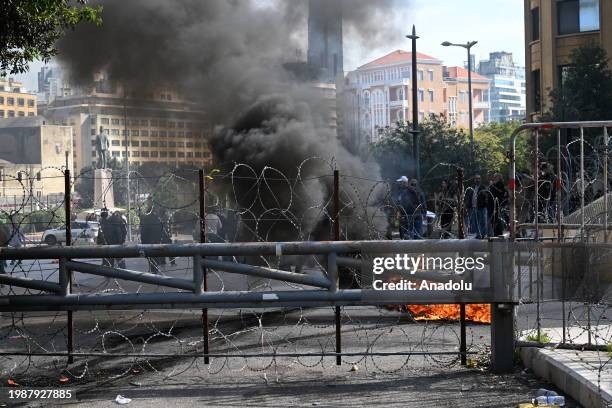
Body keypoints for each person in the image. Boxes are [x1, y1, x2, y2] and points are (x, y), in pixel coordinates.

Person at [465, 175, 489, 239]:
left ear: (480, 179)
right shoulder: (472, 187)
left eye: (478, 178)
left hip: (481, 207)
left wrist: (484, 203)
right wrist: (468, 204)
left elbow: (486, 196)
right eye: (476, 179)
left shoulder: (482, 187)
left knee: (482, 221)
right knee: (475, 222)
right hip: (473, 207)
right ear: (474, 180)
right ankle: (477, 234)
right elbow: (470, 196)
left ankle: (482, 234)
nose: (477, 180)